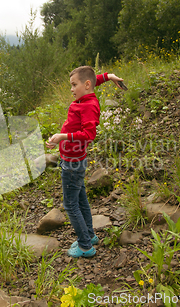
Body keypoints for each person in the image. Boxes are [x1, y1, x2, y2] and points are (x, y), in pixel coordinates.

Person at [46, 66, 124, 258]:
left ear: (86, 85)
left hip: (73, 163)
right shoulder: (85, 96)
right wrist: (108, 76)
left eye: (74, 85)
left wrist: (62, 136)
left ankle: (85, 246)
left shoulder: (88, 105)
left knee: (71, 204)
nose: (72, 89)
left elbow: (88, 134)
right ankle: (89, 235)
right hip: (74, 159)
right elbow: (91, 79)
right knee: (81, 200)